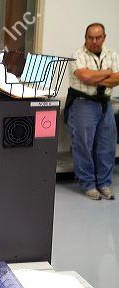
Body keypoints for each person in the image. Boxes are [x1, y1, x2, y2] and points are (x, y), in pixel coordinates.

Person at [65, 23, 119, 200]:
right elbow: (85, 77)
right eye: (90, 37)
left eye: (98, 37)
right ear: (85, 37)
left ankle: (104, 183)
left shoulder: (112, 55)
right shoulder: (77, 55)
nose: (94, 41)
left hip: (105, 103)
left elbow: (116, 80)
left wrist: (96, 76)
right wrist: (106, 73)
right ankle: (88, 184)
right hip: (83, 103)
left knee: (107, 146)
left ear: (104, 37)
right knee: (84, 146)